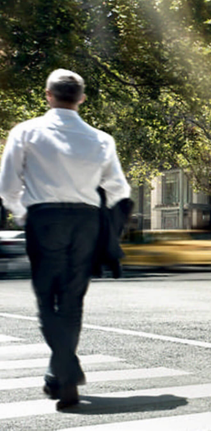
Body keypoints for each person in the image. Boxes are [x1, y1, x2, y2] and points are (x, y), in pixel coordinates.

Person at [0, 69, 130, 410]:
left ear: (48, 95)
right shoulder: (101, 139)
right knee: (72, 300)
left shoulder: (25, 132)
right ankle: (58, 374)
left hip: (44, 219)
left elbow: (8, 187)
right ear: (81, 99)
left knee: (47, 299)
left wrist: (24, 213)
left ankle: (66, 370)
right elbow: (119, 189)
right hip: (85, 222)